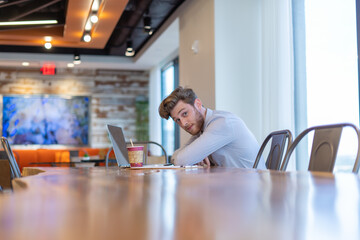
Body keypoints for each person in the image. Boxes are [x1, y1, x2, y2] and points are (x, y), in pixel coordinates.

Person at [158, 86, 265, 168]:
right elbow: (176, 156)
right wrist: (197, 154)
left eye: (185, 114)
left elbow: (181, 160)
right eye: (177, 120)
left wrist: (193, 155)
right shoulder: (202, 129)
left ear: (198, 104)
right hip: (236, 186)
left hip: (252, 191)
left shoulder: (222, 123)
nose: (183, 123)